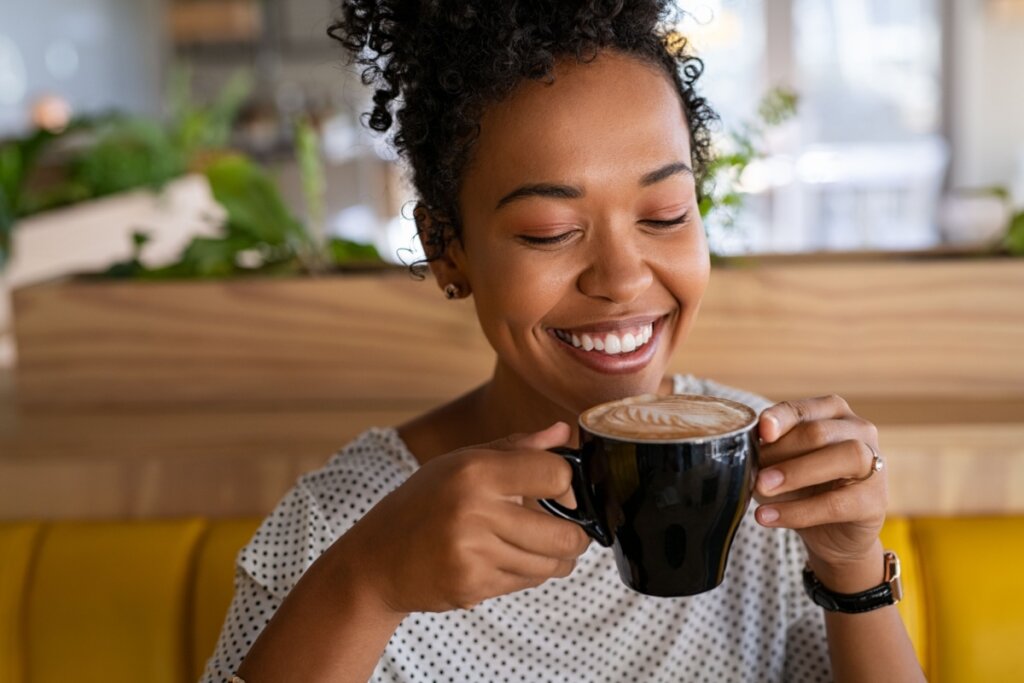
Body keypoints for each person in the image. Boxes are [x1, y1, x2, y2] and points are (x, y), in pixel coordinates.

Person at [203, 1, 925, 681]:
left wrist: (852, 568)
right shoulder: (339, 526)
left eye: (666, 214)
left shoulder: (770, 482)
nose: (621, 278)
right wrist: (365, 584)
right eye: (550, 231)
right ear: (446, 247)